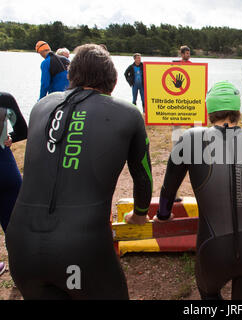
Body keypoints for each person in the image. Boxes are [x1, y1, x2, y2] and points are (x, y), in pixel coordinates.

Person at [6, 44, 153, 299]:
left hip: (21, 246)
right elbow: (143, 177)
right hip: (82, 249)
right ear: (113, 80)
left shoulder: (42, 105)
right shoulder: (128, 114)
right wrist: (140, 214)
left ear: (70, 75)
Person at [154, 81, 242, 300]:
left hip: (214, 246)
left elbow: (168, 189)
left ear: (209, 111)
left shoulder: (189, 138)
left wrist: (163, 214)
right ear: (237, 111)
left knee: (209, 294)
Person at [0, 92, 28, 277]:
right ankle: (23, 266)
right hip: (4, 166)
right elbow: (23, 130)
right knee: (15, 220)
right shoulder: (4, 99)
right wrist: (9, 138)